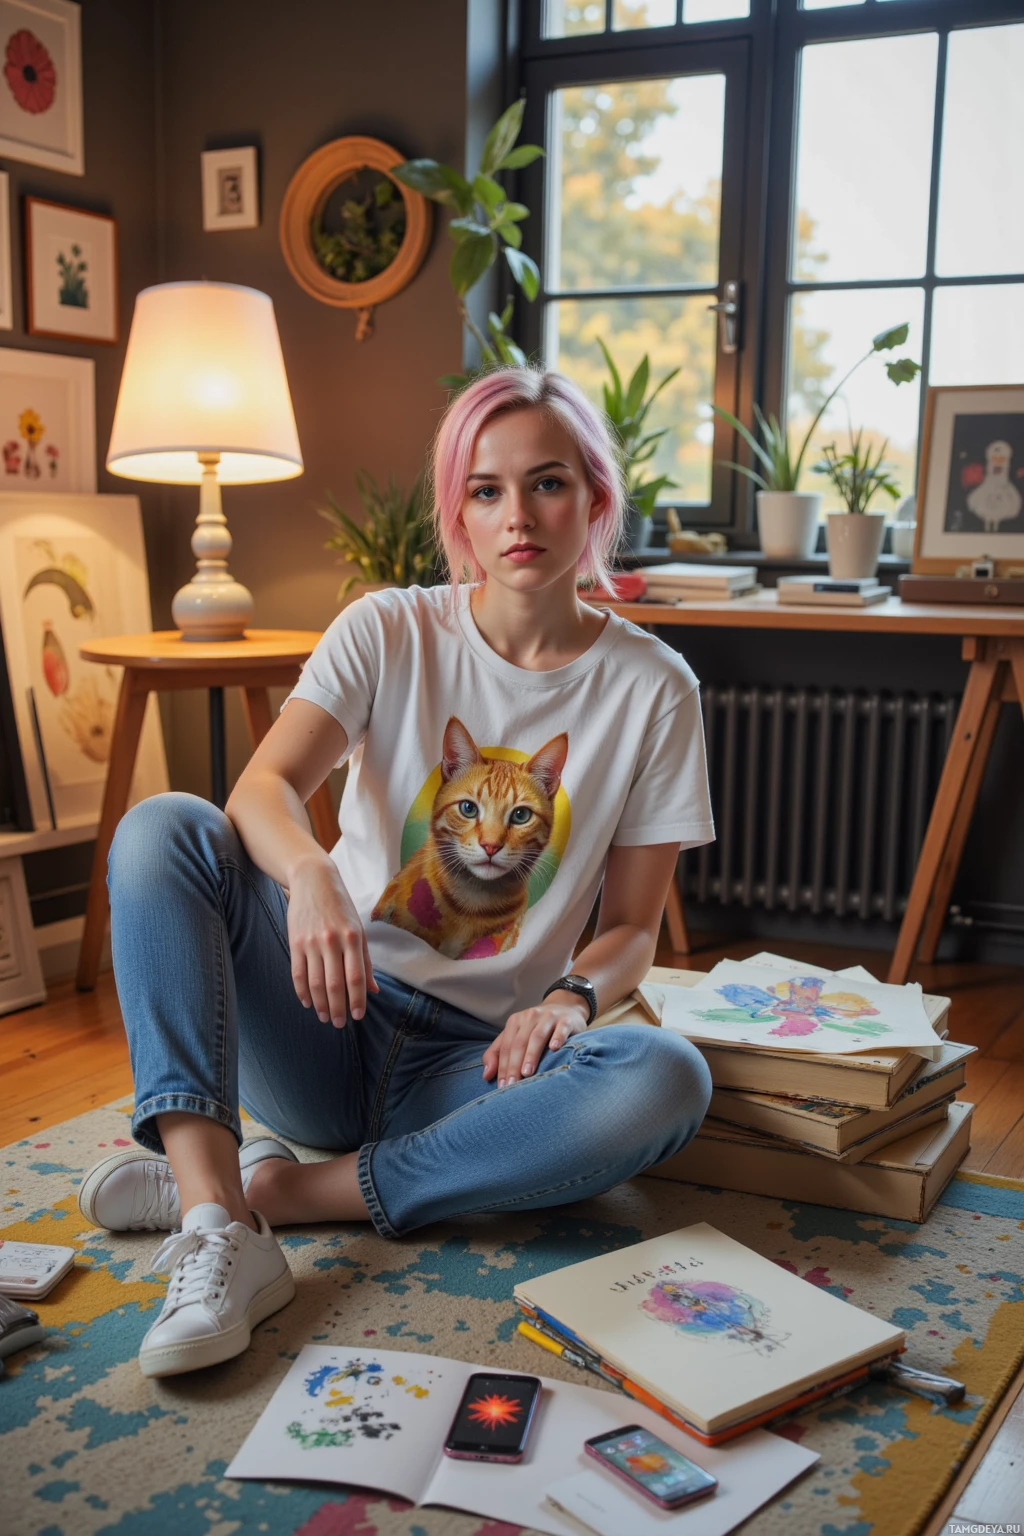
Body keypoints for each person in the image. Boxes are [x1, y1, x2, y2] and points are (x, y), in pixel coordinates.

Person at [77, 364, 715, 1380]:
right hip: (321, 1016)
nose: (519, 516)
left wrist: (568, 999)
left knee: (666, 1076)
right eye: (486, 488)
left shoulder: (653, 688)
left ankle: (277, 1195)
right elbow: (261, 792)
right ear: (459, 507)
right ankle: (214, 1220)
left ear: (594, 497)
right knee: (164, 826)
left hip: (472, 1069)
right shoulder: (387, 628)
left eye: (548, 483)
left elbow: (633, 926)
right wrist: (313, 880)